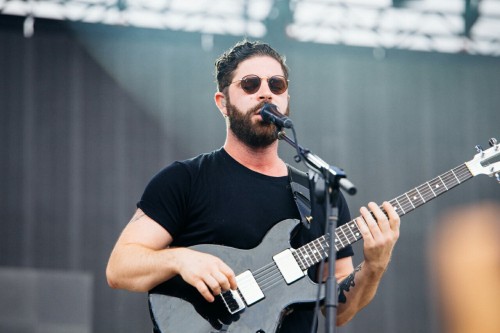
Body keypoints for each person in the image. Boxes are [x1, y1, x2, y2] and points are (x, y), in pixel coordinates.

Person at [106, 40, 400, 332]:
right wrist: (180, 259)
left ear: (286, 99)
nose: (265, 93)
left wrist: (374, 267)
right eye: (250, 84)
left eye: (277, 84)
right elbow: (120, 267)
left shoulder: (320, 193)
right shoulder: (185, 179)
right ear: (223, 103)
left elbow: (338, 312)